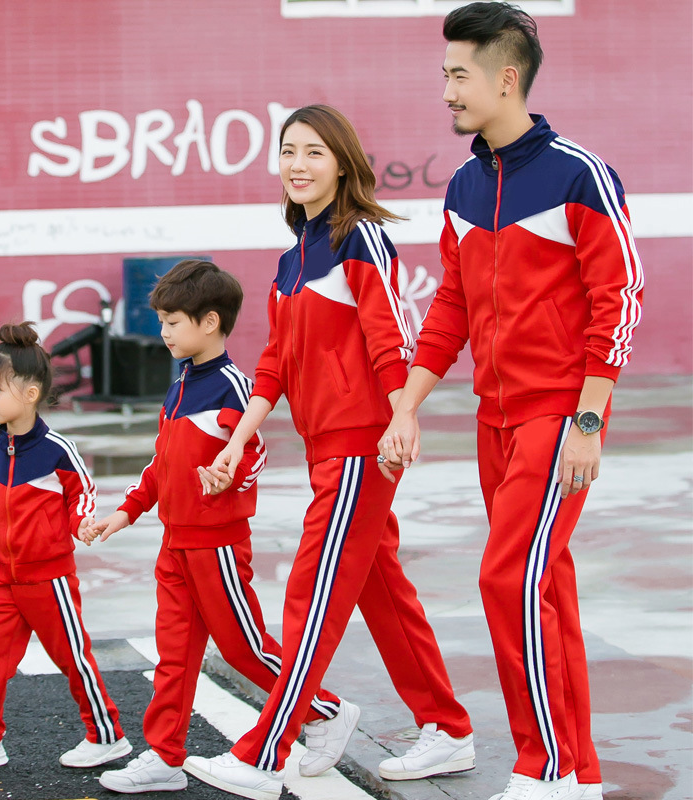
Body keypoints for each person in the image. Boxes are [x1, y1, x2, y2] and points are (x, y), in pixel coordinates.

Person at [378, 5, 644, 800]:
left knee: (509, 581)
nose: (447, 90)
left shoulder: (576, 173)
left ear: (505, 76)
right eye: (444, 75)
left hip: (559, 416)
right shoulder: (464, 184)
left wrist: (590, 420)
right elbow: (450, 310)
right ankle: (578, 771)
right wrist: (408, 405)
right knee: (544, 587)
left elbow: (619, 297)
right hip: (493, 421)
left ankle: (546, 768)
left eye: (459, 74)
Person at [186, 105, 473, 800]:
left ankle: (264, 751)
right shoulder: (293, 258)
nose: (297, 164)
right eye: (288, 152)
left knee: (311, 594)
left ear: (342, 163)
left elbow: (389, 337)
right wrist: (239, 436)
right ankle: (448, 727)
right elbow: (278, 361)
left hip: (360, 444)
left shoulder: (361, 237)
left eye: (313, 152)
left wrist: (403, 413)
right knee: (383, 593)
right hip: (323, 447)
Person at [84, 260, 347, 794]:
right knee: (173, 655)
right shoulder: (180, 382)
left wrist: (228, 481)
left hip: (218, 543)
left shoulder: (231, 386)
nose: (162, 334)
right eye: (160, 323)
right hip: (174, 541)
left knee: (243, 648)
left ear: (209, 322)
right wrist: (127, 510)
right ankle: (163, 756)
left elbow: (252, 453)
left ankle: (324, 711)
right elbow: (162, 463)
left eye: (171, 323)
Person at [0, 322, 130, 772]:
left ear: (30, 393)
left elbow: (81, 491)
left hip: (50, 578)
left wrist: (81, 524)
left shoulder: (57, 450)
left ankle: (107, 736)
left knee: (72, 658)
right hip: (4, 579)